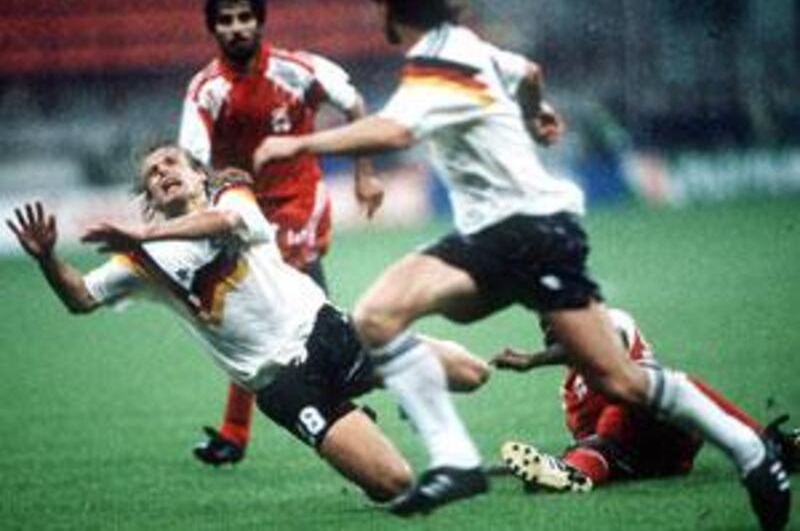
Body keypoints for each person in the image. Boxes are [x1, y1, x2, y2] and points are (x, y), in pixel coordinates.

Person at [251, 0, 791, 526]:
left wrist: (297, 146)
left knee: (620, 379)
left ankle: (750, 450)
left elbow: (394, 131)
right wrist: (537, 112)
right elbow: (527, 71)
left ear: (393, 14)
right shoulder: (464, 45)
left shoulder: (437, 63)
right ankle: (456, 460)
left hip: (537, 232)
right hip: (491, 236)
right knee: (376, 315)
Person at [4, 144, 491, 506]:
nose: (162, 173)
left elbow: (227, 225)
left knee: (472, 373)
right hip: (283, 384)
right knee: (394, 484)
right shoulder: (142, 262)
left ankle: (397, 389)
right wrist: (48, 258)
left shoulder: (232, 193)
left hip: (330, 334)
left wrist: (145, 231)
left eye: (172, 163)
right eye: (152, 174)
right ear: (149, 195)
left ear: (199, 174)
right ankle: (356, 415)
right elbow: (81, 298)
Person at [178, 0, 385, 465]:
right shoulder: (206, 90)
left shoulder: (298, 69)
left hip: (298, 204)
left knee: (281, 315)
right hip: (244, 214)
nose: (236, 27)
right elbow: (193, 162)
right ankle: (375, 386)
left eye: (244, 17)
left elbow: (355, 104)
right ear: (214, 30)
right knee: (278, 316)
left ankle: (242, 432)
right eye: (226, 20)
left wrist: (365, 172)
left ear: (259, 22)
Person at [491, 308, 800, 493]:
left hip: (673, 434)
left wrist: (533, 360)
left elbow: (604, 350)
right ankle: (569, 474)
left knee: (647, 386)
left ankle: (771, 444)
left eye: (556, 318)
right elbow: (594, 441)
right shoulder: (571, 392)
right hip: (637, 463)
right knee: (598, 444)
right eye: (544, 321)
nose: (547, 326)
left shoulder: (612, 321)